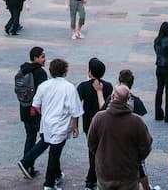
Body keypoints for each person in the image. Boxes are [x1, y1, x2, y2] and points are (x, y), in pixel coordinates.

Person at [18, 57, 81, 189]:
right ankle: (49, 183)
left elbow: (36, 104)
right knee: (54, 153)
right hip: (61, 125)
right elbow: (75, 111)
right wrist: (75, 127)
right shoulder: (69, 88)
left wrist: (45, 114)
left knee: (50, 147)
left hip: (46, 124)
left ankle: (54, 174)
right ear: (65, 71)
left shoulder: (44, 86)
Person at [87, 84, 152, 190]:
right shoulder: (137, 121)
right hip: (128, 175)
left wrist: (101, 156)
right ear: (128, 100)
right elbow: (146, 146)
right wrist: (134, 159)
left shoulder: (99, 118)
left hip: (105, 173)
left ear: (112, 97)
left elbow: (91, 143)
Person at [77, 58, 112, 190]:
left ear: (90, 72)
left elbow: (76, 104)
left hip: (89, 124)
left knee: (93, 151)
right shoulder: (108, 86)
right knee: (100, 150)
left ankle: (90, 180)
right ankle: (94, 178)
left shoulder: (83, 86)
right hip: (104, 124)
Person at [17, 46, 48, 159]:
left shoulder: (23, 69)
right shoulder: (40, 73)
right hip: (34, 110)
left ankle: (28, 164)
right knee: (44, 139)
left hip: (24, 107)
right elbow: (43, 93)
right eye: (42, 57)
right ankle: (27, 162)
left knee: (30, 136)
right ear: (35, 58)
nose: (45, 59)